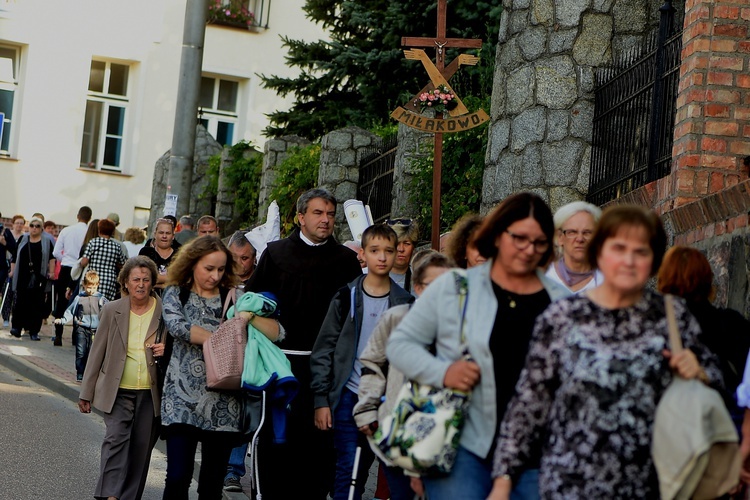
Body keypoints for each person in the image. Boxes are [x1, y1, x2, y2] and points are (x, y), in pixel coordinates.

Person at [488, 205, 723, 500]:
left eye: (641, 251)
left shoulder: (671, 315)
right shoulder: (563, 316)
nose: (629, 260)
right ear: (600, 252)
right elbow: (529, 402)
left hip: (653, 483)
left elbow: (718, 380)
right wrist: (504, 478)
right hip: (570, 482)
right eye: (619, 249)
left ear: (653, 261)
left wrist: (698, 370)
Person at [386, 192, 570, 500]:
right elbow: (401, 344)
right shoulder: (454, 287)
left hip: (535, 452)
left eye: (539, 242)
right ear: (498, 235)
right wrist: (443, 371)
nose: (528, 250)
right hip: (462, 444)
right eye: (519, 238)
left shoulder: (560, 300)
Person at [245, 188, 363, 499]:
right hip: (282, 364)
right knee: (277, 439)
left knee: (321, 442)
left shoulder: (346, 261)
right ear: (300, 218)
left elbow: (353, 318)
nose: (326, 220)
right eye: (318, 213)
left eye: (330, 214)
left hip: (326, 369)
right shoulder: (275, 254)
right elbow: (253, 304)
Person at [159, 236, 279, 499]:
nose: (215, 276)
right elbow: (178, 327)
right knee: (178, 476)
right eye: (209, 268)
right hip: (181, 400)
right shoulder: (176, 292)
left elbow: (278, 333)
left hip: (225, 402)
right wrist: (223, 340)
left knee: (212, 484)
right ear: (192, 264)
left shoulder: (235, 296)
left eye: (221, 269)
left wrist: (250, 316)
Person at [311, 224, 414, 499]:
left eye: (388, 251)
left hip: (389, 400)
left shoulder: (405, 302)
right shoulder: (346, 297)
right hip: (349, 396)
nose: (382, 257)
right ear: (363, 255)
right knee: (349, 467)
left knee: (396, 470)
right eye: (375, 250)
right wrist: (321, 400)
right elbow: (324, 350)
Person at [354, 250, 455, 499]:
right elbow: (372, 363)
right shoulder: (396, 319)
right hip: (399, 429)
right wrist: (367, 409)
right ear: (419, 287)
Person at [78, 256, 165, 500]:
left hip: (150, 392)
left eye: (146, 280)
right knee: (114, 441)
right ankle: (110, 495)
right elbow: (97, 352)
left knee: (140, 450)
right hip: (117, 391)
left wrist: (165, 349)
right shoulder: (112, 308)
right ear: (125, 282)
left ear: (152, 283)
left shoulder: (164, 311)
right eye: (135, 279)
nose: (141, 284)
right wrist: (86, 391)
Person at [658, 246, 750, 425]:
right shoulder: (730, 323)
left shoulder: (656, 328)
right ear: (708, 280)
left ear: (664, 280)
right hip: (723, 424)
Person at [54, 269, 107, 381]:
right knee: (80, 350)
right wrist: (63, 320)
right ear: (84, 285)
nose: (91, 290)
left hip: (95, 330)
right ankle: (80, 373)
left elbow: (108, 311)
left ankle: (90, 372)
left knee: (92, 351)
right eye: (88, 287)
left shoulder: (101, 299)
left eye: (93, 287)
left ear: (97, 286)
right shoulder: (79, 298)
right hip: (81, 328)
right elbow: (70, 311)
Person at [9, 216, 56, 340]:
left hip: (39, 277)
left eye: (37, 226)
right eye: (32, 226)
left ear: (41, 229)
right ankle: (17, 328)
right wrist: (13, 271)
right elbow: (14, 256)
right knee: (20, 302)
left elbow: (52, 258)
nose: (34, 228)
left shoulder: (46, 241)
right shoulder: (23, 239)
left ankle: (34, 331)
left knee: (36, 303)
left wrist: (51, 272)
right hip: (22, 275)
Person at [53, 206, 93, 345]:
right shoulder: (90, 233)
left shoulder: (67, 230)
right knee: (80, 302)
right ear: (90, 217)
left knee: (62, 302)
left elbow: (56, 252)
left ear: (78, 216)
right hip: (82, 269)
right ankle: (76, 337)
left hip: (67, 267)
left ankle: (58, 333)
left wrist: (65, 259)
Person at [545, 201, 603, 294]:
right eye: (572, 232)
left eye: (587, 232)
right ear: (559, 237)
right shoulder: (544, 277)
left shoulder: (608, 280)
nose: (580, 239)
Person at [81, 219, 127, 301]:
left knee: (90, 303)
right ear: (112, 232)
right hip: (109, 280)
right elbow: (124, 264)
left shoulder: (93, 242)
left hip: (92, 279)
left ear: (99, 230)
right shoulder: (116, 246)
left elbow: (84, 262)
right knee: (106, 306)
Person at [138, 218, 180, 293]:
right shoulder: (146, 252)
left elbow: (183, 280)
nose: (164, 236)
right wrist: (170, 282)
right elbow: (143, 277)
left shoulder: (179, 255)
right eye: (161, 232)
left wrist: (155, 282)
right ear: (155, 234)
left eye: (168, 233)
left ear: (173, 236)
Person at [387, 218, 418, 292]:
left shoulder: (421, 281)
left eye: (406, 244)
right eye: (397, 243)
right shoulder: (374, 277)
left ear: (413, 247)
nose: (401, 249)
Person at [0, 212, 19, 327]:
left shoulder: (5, 232)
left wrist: (4, 243)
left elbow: (15, 250)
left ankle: (5, 317)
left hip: (1, 267)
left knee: (5, 294)